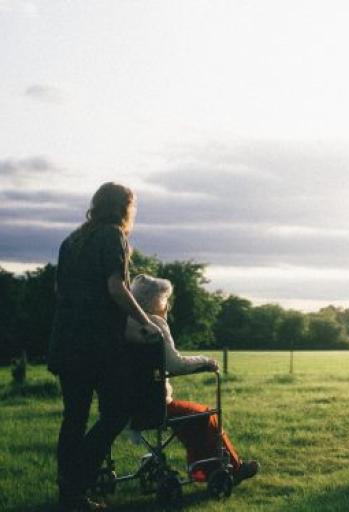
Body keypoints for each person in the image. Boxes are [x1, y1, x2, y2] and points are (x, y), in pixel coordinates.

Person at [48, 182, 162, 511]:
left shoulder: (72, 240)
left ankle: (69, 493)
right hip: (96, 344)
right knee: (116, 413)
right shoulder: (113, 235)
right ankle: (76, 481)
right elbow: (116, 287)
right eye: (133, 205)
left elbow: (61, 291)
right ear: (124, 207)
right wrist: (145, 320)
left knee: (74, 417)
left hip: (66, 340)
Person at [125, 274, 260, 485]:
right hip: (154, 405)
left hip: (126, 405)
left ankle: (202, 468)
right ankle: (233, 467)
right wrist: (206, 361)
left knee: (189, 417)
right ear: (154, 301)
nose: (167, 304)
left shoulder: (124, 323)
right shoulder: (155, 324)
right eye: (165, 299)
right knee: (205, 415)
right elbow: (175, 365)